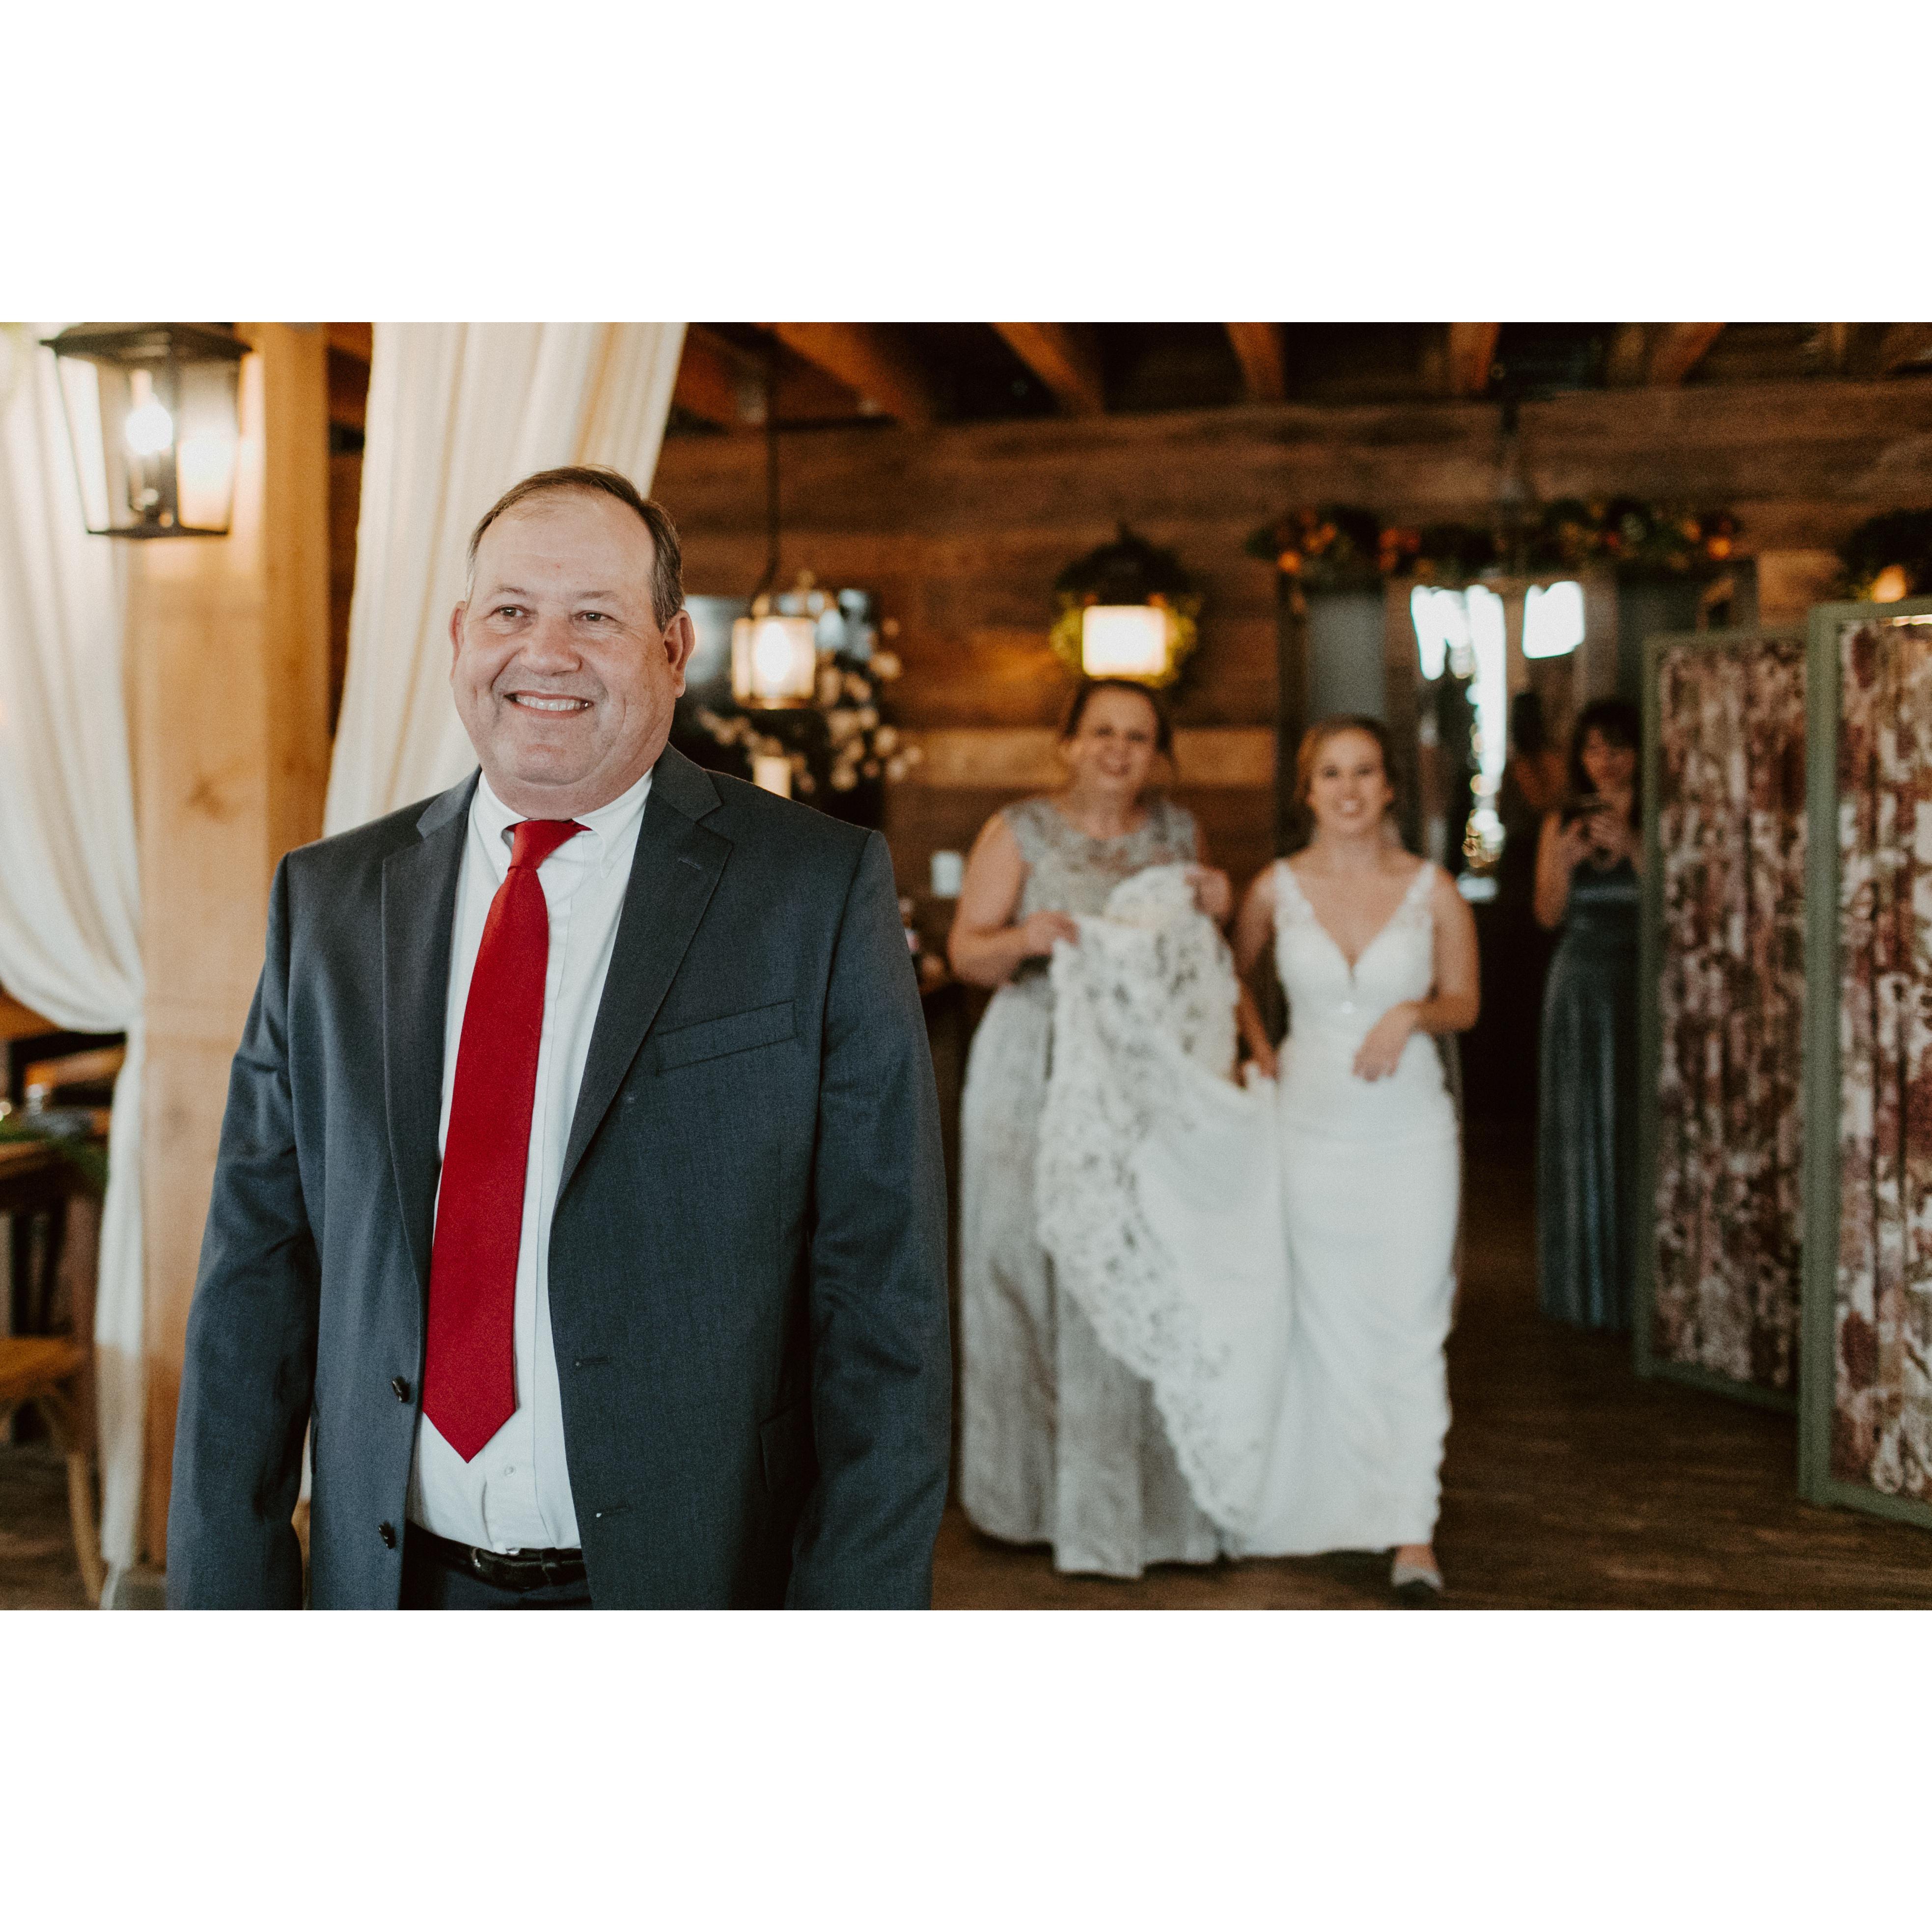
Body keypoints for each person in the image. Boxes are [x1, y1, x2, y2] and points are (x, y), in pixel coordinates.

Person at [166, 466, 951, 1609]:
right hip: (386, 1593)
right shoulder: (329, 902)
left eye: (594, 615)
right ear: (458, 638)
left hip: (693, 1593)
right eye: (510, 610)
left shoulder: (813, 892)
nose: (546, 652)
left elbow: (884, 1314)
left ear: (672, 649)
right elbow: (253, 1291)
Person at [948, 678, 1235, 1578]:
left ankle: (1137, 1507)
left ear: (1158, 754)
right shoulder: (1018, 831)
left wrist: (1217, 907)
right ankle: (1025, 1498)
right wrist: (1023, 938)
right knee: (1022, 1263)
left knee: (1135, 1268)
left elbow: (1203, 963)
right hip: (1030, 1064)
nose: (1118, 750)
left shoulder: (1178, 835)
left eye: (1138, 736)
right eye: (1102, 731)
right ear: (1067, 742)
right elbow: (966, 951)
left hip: (1140, 1076)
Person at [1232, 716, 1478, 1602]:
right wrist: (1258, 1045)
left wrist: (1410, 1012)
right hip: (1306, 1126)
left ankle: (1411, 1524)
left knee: (1410, 1319)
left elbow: (1465, 1002)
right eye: (1330, 773)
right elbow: (1227, 973)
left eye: (1364, 771)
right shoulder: (1273, 888)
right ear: (1307, 791)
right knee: (1320, 1318)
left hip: (1408, 1131)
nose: (1347, 789)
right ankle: (1330, 1498)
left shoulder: (1432, 890)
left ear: (1388, 787)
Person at [1533, 695, 1641, 1331]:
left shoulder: (1660, 814)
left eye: (1617, 746)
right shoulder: (1561, 822)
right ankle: (1583, 1288)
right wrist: (1563, 864)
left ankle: (1639, 1290)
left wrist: (1633, 846)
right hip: (1577, 985)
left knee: (1637, 1125)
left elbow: (1682, 904)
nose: (1605, 760)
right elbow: (1546, 915)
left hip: (1641, 983)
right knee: (1581, 1125)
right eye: (1593, 748)